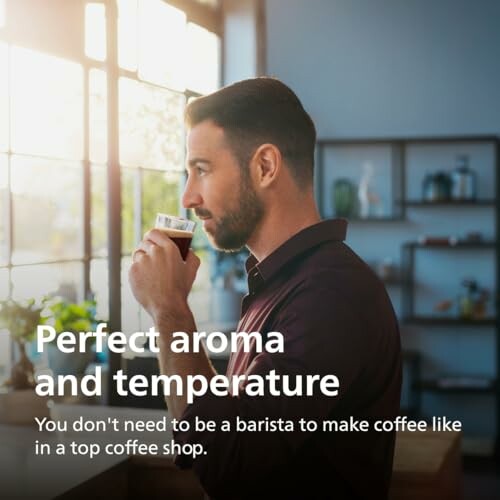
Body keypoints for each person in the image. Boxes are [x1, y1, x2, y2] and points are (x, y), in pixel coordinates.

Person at [129, 77, 402, 500]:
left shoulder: (330, 296)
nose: (187, 196)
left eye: (201, 169)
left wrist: (169, 309)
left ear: (265, 167)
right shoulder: (285, 282)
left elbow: (226, 459)